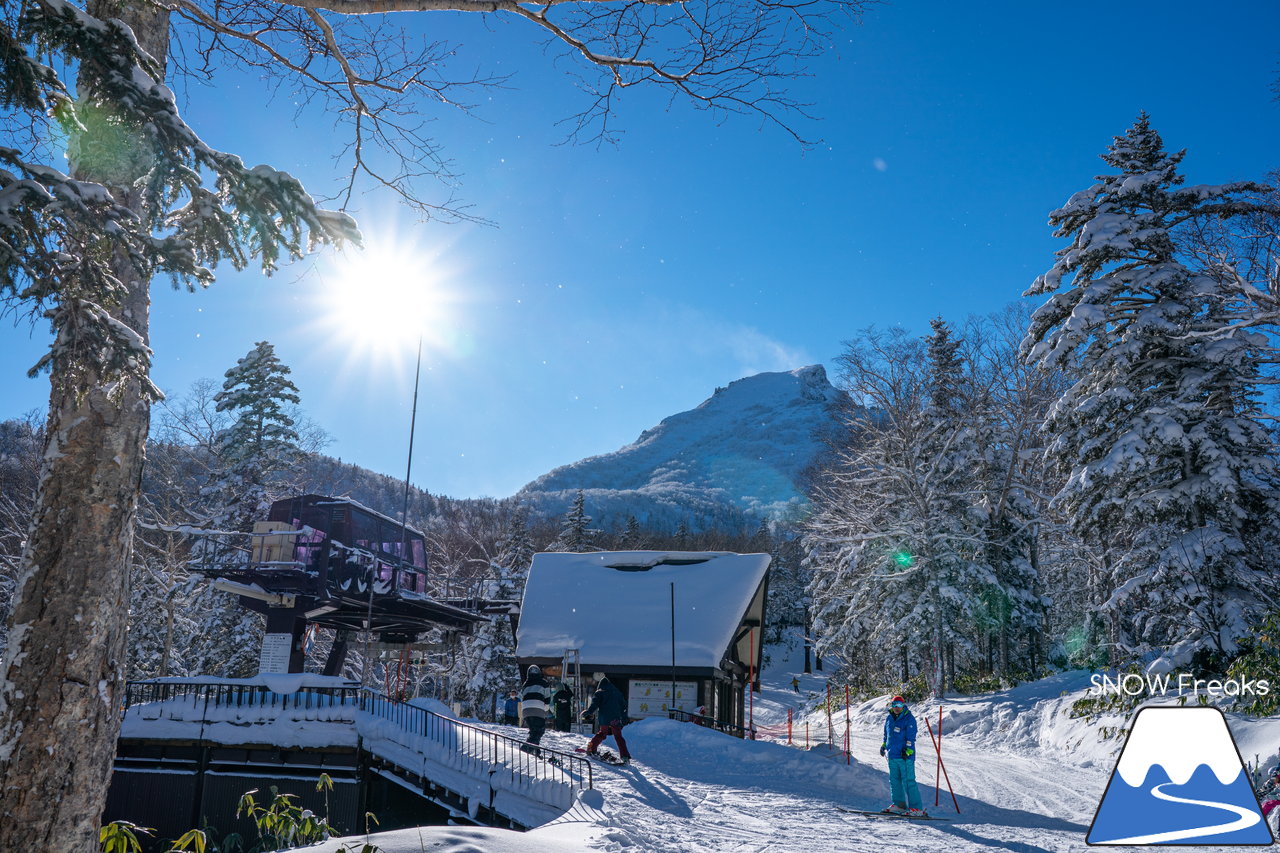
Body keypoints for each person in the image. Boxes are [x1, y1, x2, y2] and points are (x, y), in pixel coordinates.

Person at [879, 695, 926, 817]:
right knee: (894, 781)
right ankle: (899, 805)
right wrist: (884, 746)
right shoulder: (889, 718)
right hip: (892, 755)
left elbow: (911, 737)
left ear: (903, 705)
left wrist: (908, 751)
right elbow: (886, 735)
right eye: (894, 705)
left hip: (904, 756)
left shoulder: (908, 718)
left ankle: (916, 808)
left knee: (909, 781)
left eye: (899, 705)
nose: (896, 707)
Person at [582, 672, 631, 765]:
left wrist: (588, 712)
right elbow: (624, 706)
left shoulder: (599, 692)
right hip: (615, 718)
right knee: (618, 737)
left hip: (604, 718)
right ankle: (625, 757)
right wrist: (624, 718)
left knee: (602, 733)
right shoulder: (617, 693)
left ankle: (591, 749)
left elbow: (594, 705)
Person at [521, 665, 551, 755]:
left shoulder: (525, 684)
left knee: (534, 731)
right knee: (539, 731)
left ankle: (536, 752)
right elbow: (547, 698)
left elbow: (523, 695)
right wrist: (546, 709)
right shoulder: (543, 683)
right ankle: (524, 752)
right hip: (537, 707)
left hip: (526, 710)